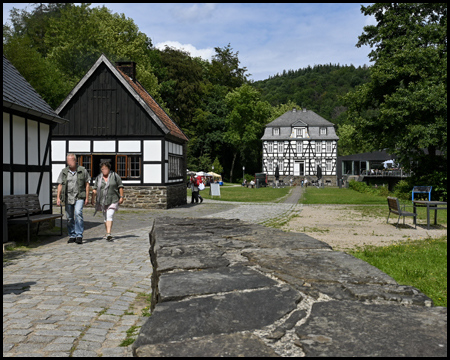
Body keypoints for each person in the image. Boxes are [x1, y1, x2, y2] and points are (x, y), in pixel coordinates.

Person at [56, 153, 91, 244]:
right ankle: (72, 235)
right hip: (68, 197)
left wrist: (87, 197)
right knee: (69, 217)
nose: (69, 162)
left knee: (78, 213)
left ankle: (79, 235)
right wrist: (58, 198)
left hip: (79, 196)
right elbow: (60, 185)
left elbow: (87, 184)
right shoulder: (64, 172)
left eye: (71, 160)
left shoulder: (82, 170)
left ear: (75, 161)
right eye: (68, 160)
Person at [91, 161, 124, 241]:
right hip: (102, 200)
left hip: (113, 199)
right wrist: (92, 198)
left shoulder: (115, 176)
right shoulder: (99, 178)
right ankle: (107, 232)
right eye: (102, 169)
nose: (104, 170)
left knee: (109, 215)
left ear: (109, 169)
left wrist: (121, 197)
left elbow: (120, 186)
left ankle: (109, 233)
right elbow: (95, 189)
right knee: (105, 217)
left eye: (105, 169)